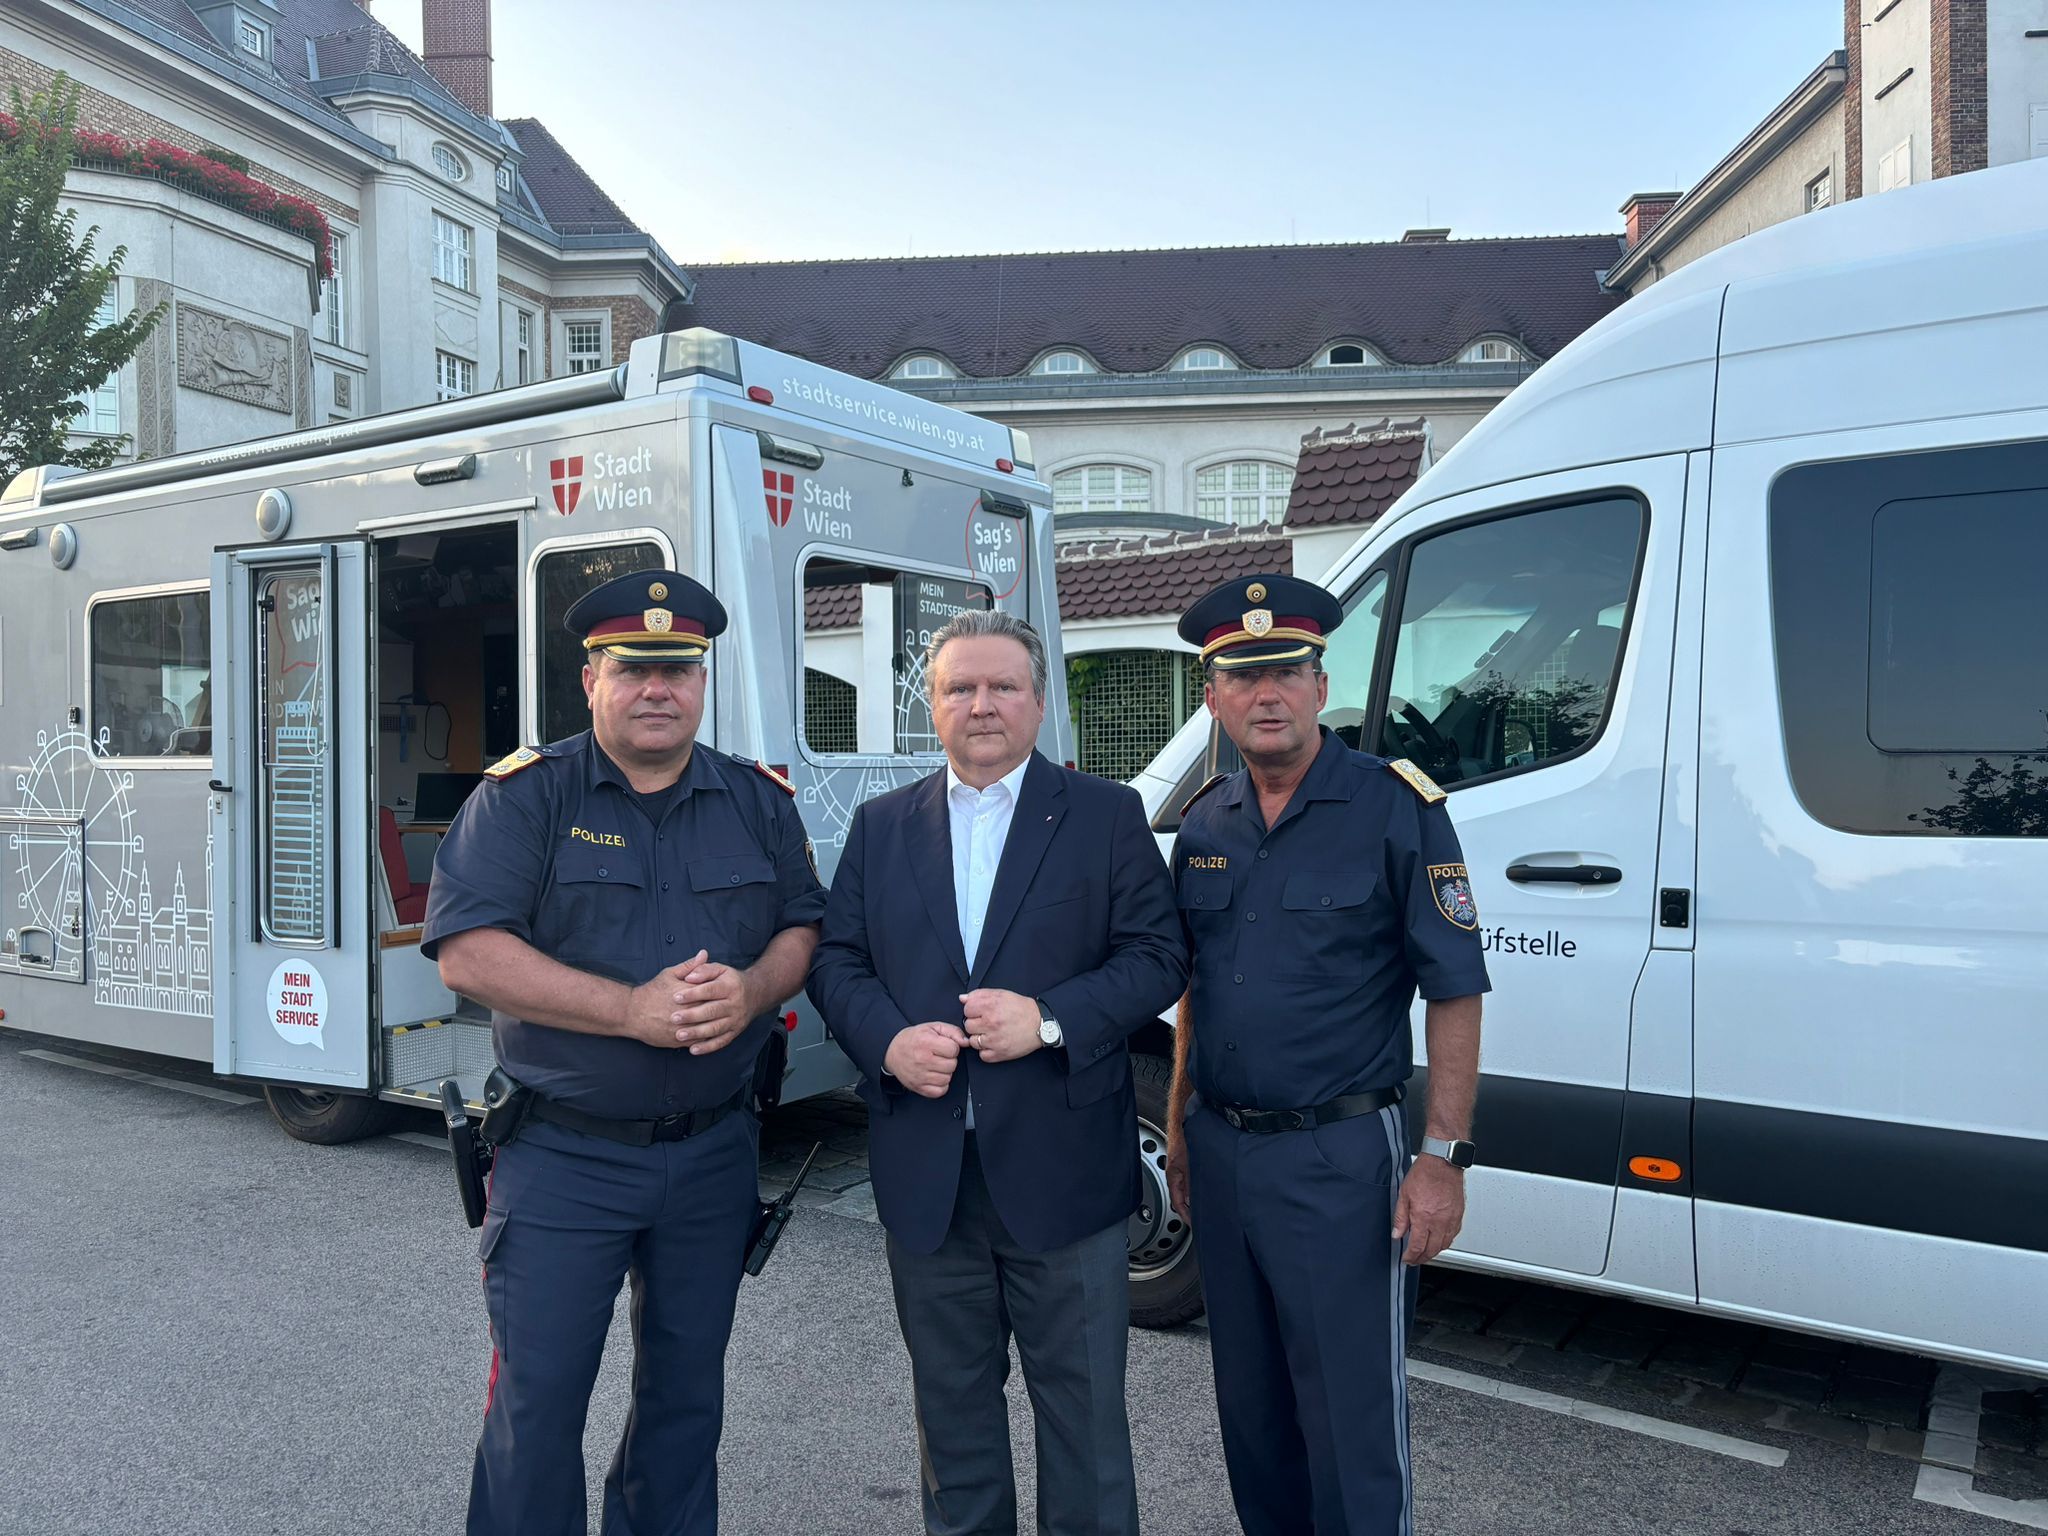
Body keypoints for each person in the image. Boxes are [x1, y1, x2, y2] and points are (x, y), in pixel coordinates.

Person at [422, 568, 825, 1536]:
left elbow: (802, 928)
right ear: (591, 677)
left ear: (701, 681)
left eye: (676, 669)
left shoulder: (756, 800)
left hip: (713, 1154)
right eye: (633, 668)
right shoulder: (526, 797)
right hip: (564, 1155)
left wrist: (752, 991)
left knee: (685, 1406)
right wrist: (630, 1011)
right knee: (537, 1405)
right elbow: (468, 952)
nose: (657, 689)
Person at [807, 608, 1187, 1536]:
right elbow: (836, 961)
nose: (982, 705)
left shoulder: (1105, 815)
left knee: (1086, 1435)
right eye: (960, 688)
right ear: (932, 706)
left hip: (1066, 1177)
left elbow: (1158, 957)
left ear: (1039, 702)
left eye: (1003, 686)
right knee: (954, 1433)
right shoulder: (882, 826)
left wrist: (1049, 1019)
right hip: (928, 1185)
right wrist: (888, 1042)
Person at [1161, 573, 1489, 1536]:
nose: (1266, 694)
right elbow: (1194, 992)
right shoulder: (1206, 823)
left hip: (1339, 1159)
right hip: (1223, 1151)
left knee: (1351, 1422)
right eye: (1242, 676)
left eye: (1286, 672)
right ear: (1213, 698)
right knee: (1252, 1414)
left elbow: (1455, 988)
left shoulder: (1395, 807)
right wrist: (1179, 1129)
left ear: (1320, 684)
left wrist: (1442, 1157)